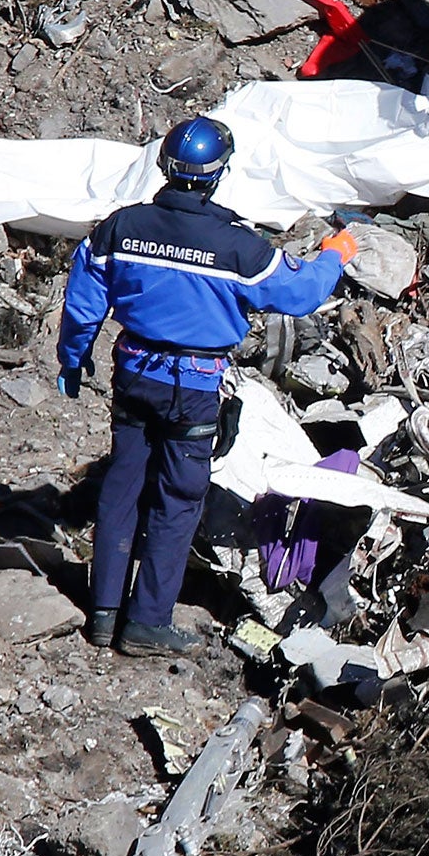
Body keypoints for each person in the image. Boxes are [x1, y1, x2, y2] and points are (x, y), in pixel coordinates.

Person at [58, 116, 358, 655]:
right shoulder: (239, 247)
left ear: (165, 167)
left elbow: (83, 305)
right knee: (178, 498)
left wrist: (73, 360)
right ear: (217, 174)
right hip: (194, 386)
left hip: (134, 376)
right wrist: (336, 253)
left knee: (122, 488)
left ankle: (103, 615)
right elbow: (300, 293)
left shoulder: (119, 228)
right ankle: (147, 623)